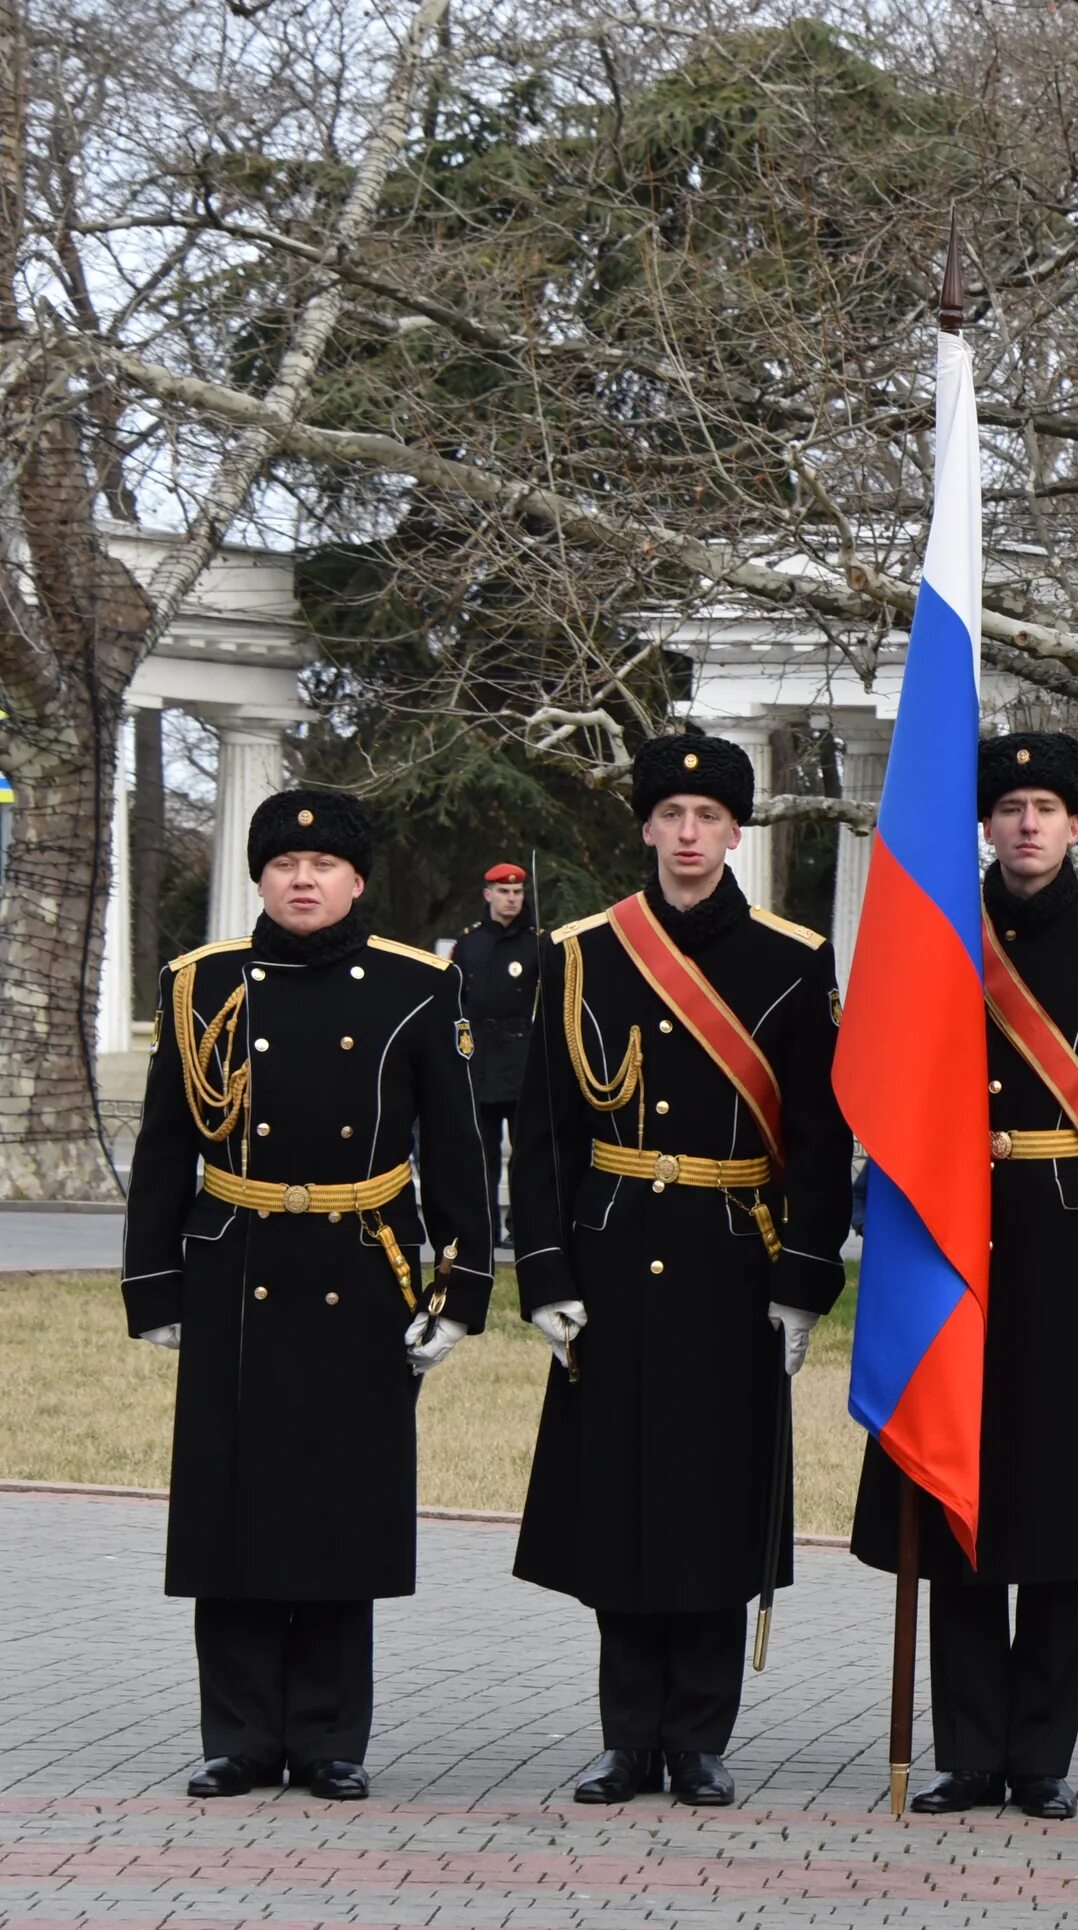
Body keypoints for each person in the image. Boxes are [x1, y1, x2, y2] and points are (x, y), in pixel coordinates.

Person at [121, 786, 494, 1800]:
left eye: (324, 863)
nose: (302, 877)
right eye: (284, 863)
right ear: (259, 876)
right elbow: (163, 1151)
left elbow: (458, 1153)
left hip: (360, 1265)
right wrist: (153, 1282)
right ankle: (238, 1733)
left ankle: (330, 1733)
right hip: (235, 1260)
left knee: (341, 1502)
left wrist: (459, 1291)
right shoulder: (200, 983)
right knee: (232, 1503)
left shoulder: (416, 986)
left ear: (357, 879)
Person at [510, 731, 853, 1808]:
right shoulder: (583, 951)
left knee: (712, 1502)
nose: (691, 834)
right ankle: (626, 1736)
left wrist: (802, 1276)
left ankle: (699, 1736)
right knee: (620, 1501)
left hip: (730, 1261)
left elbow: (817, 1132)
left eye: (711, 817)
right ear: (648, 825)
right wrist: (548, 1271)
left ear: (735, 831)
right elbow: (548, 1128)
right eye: (673, 816)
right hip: (612, 1255)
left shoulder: (791, 957)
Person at [852, 731, 1078, 1818]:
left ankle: (1040, 1754)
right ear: (983, 824)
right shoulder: (935, 930)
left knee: (1054, 1507)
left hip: (1069, 1241)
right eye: (1010, 807)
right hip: (950, 1239)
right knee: (952, 1498)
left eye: (1047, 806)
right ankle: (967, 1748)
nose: (1028, 823)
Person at [437, 861, 539, 1249]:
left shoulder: (535, 943)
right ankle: (484, 1230)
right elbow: (454, 1002)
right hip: (479, 1059)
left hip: (521, 1057)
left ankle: (520, 1226)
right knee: (482, 1153)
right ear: (488, 894)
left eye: (517, 892)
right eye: (503, 892)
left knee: (525, 1153)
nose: (511, 898)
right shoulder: (470, 943)